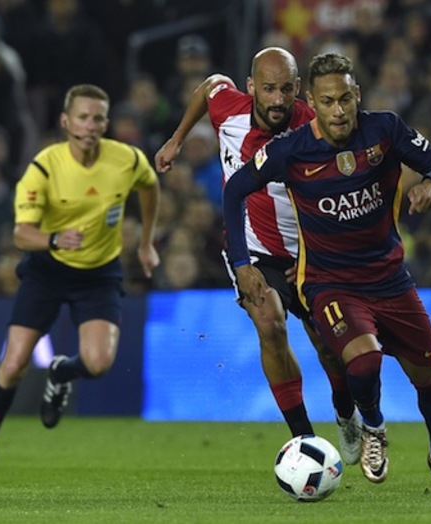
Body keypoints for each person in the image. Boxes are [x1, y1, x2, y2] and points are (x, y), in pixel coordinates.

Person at [222, 52, 431, 495]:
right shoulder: (290, 150)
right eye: (327, 102)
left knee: (430, 379)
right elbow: (234, 191)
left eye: (345, 99)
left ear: (357, 95)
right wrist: (243, 265)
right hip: (329, 282)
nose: (338, 111)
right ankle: (374, 428)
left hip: (390, 278)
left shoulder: (384, 129)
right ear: (311, 103)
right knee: (363, 359)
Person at [154, 47, 362, 463]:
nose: (278, 99)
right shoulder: (227, 110)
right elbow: (210, 85)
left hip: (311, 251)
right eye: (268, 89)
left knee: (326, 345)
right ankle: (305, 444)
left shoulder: (319, 127)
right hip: (254, 250)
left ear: (298, 89)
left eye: (286, 89)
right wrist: (176, 139)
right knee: (269, 321)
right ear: (251, 88)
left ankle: (345, 412)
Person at [0, 84, 161, 467]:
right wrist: (54, 239)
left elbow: (150, 186)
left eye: (98, 117)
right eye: (83, 117)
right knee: (14, 363)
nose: (91, 125)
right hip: (47, 272)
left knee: (99, 362)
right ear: (66, 121)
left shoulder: (126, 159)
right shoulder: (44, 168)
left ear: (106, 122)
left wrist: (146, 242)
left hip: (99, 272)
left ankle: (62, 372)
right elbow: (22, 233)